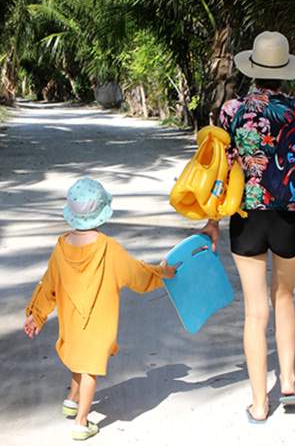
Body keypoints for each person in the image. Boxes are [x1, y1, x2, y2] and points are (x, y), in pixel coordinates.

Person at [200, 31, 295, 424]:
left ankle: (260, 405)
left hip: (247, 220)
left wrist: (212, 220)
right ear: (285, 71)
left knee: (255, 312)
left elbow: (222, 169)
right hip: (290, 216)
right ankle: (289, 385)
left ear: (253, 69)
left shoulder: (232, 111)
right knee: (285, 298)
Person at [24, 177, 176, 441]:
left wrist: (36, 314)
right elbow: (137, 274)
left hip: (72, 321)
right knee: (89, 369)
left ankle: (71, 400)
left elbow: (48, 283)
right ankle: (82, 422)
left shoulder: (62, 247)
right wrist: (163, 272)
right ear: (101, 213)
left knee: (78, 360)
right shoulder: (108, 248)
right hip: (97, 325)